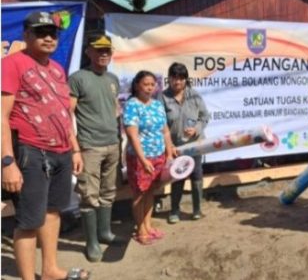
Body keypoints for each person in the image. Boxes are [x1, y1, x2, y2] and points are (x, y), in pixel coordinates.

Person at [1, 11, 90, 280]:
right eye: (40, 32)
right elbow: (1, 116)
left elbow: (63, 111)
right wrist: (7, 163)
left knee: (53, 212)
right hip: (30, 151)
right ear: (26, 35)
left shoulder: (57, 68)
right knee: (29, 220)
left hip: (61, 151)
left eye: (53, 33)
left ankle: (50, 269)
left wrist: (74, 148)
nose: (48, 38)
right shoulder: (12, 64)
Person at [69, 33, 122, 262]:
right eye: (98, 50)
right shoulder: (78, 78)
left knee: (108, 192)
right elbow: (67, 113)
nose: (103, 54)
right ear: (88, 52)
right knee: (89, 196)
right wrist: (75, 149)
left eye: (107, 50)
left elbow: (114, 107)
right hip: (89, 146)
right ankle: (91, 243)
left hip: (112, 144)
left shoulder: (112, 78)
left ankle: (104, 232)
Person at [123, 70, 174, 245]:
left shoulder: (157, 105)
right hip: (140, 158)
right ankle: (141, 230)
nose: (149, 88)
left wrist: (169, 150)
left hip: (158, 156)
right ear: (137, 85)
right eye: (146, 84)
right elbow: (132, 135)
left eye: (152, 84)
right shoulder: (132, 105)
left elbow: (165, 131)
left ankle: (148, 225)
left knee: (151, 191)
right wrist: (143, 160)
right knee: (139, 194)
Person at [159, 62, 210, 224]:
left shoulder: (194, 95)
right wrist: (169, 146)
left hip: (194, 145)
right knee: (178, 177)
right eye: (174, 78)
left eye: (181, 79)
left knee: (196, 175)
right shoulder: (162, 97)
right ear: (169, 79)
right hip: (175, 147)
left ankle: (197, 210)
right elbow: (160, 122)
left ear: (186, 80)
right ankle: (174, 211)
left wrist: (196, 128)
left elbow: (205, 117)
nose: (177, 82)